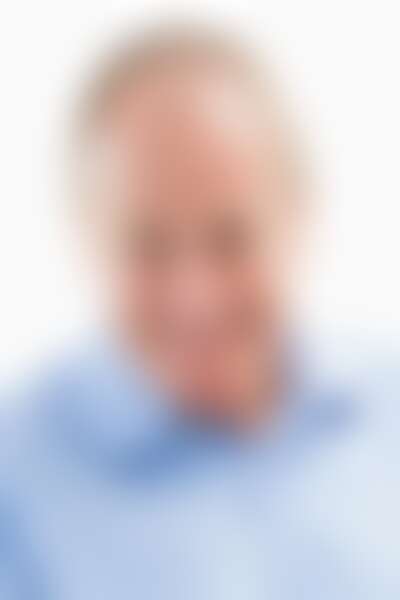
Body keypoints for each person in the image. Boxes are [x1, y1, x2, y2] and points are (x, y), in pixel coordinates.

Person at [0, 26, 399, 600]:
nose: (196, 297)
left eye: (230, 238)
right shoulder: (17, 481)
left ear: (299, 217)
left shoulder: (388, 409)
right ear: (87, 236)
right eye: (149, 245)